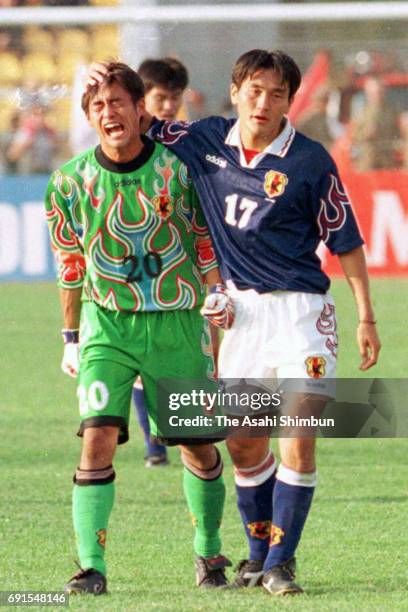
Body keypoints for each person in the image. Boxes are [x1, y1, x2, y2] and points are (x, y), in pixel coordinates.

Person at [88, 50, 381, 596]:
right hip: (243, 317)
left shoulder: (310, 161)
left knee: (298, 435)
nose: (263, 102)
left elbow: (346, 240)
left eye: (276, 93)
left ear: (290, 100)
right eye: (254, 90)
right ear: (235, 90)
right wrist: (107, 79)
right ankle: (256, 553)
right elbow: (135, 119)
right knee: (245, 444)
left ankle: (281, 563)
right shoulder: (203, 140)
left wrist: (365, 315)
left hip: (302, 314)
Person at [45, 61, 231, 595]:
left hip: (176, 325)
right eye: (98, 105)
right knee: (97, 438)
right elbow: (70, 265)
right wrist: (71, 338)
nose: (110, 113)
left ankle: (208, 552)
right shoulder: (68, 183)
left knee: (195, 447)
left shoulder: (179, 171)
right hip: (109, 328)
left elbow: (202, 238)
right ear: (89, 117)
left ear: (139, 109)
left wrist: (216, 290)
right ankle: (91, 567)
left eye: (118, 102)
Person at [132, 57, 189, 467]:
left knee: (180, 349)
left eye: (175, 98)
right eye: (160, 98)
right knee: (140, 351)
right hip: (138, 258)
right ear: (143, 99)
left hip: (181, 255)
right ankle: (154, 443)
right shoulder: (127, 142)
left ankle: (178, 426)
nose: (168, 106)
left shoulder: (185, 142)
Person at [351, 76, 400, 171]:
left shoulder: (391, 112)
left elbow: (397, 134)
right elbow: (353, 136)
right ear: (367, 93)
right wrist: (366, 133)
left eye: (379, 92)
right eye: (373, 93)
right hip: (368, 160)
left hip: (387, 160)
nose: (377, 95)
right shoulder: (361, 113)